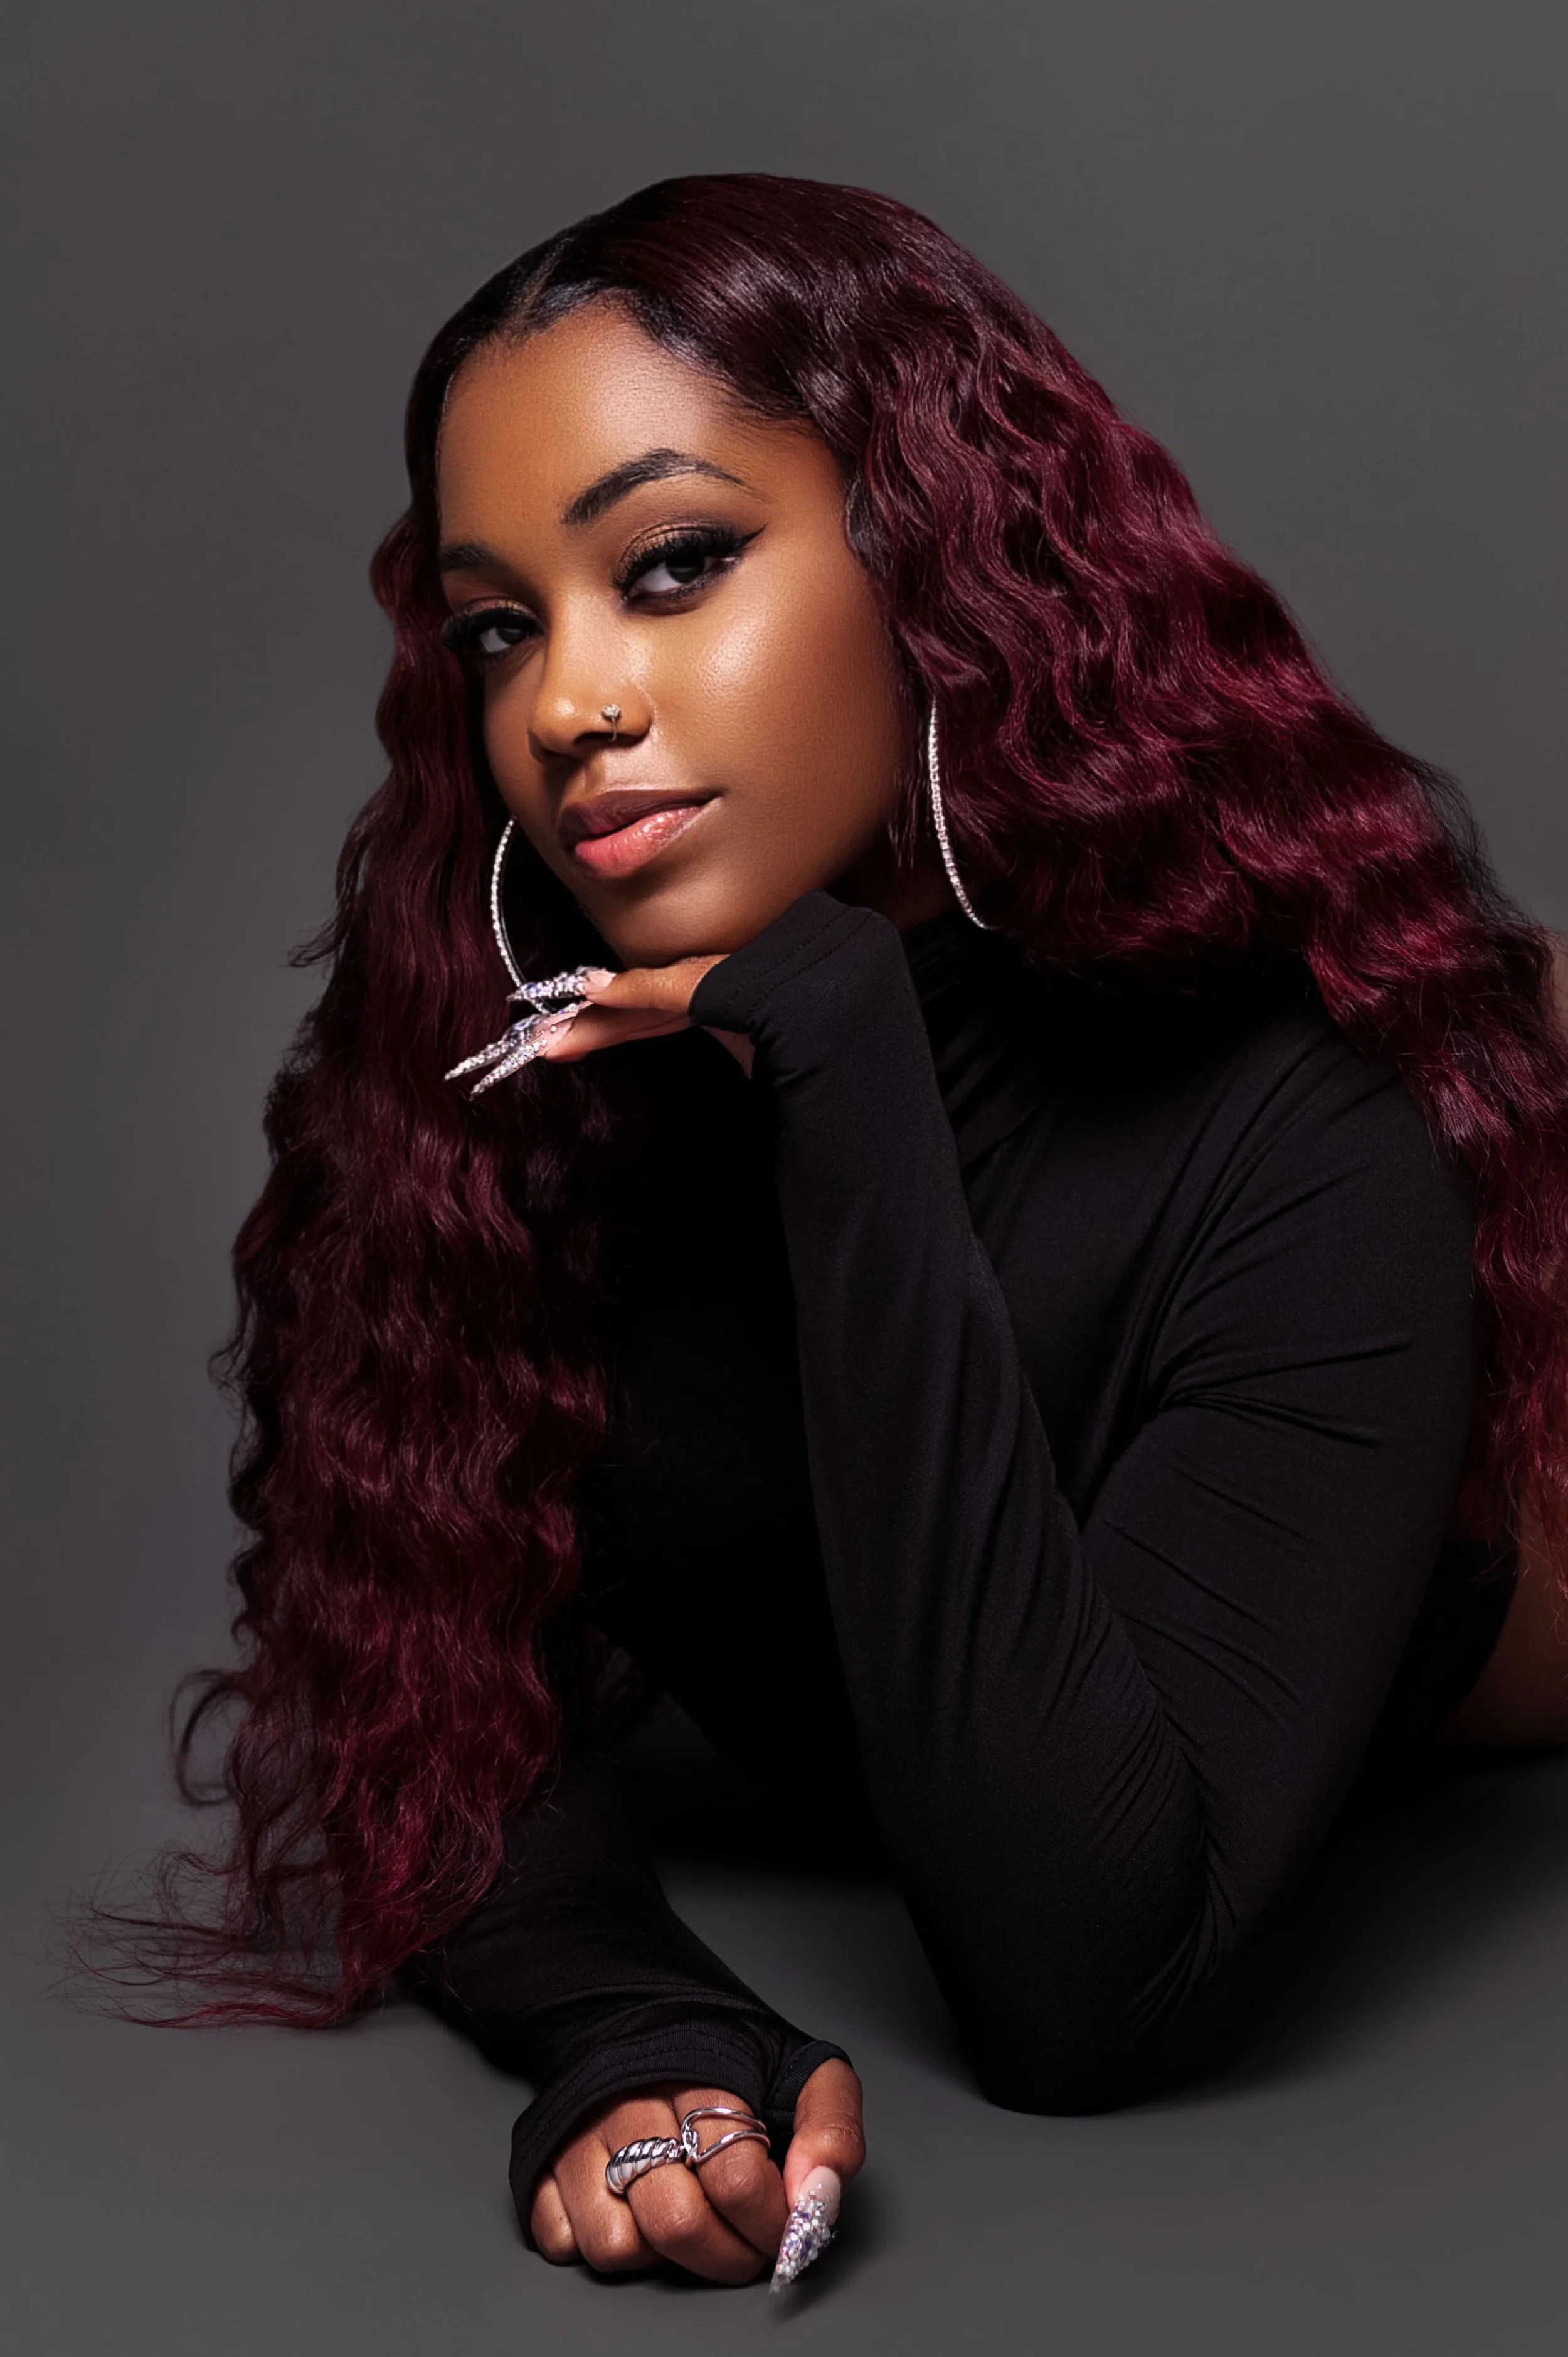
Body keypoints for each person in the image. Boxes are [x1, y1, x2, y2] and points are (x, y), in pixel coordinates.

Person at [115, 173, 1568, 2290]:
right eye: (502, 622)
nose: (566, 707)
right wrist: (636, 2026)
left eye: (677, 563)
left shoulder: (1311, 1122)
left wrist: (835, 1032)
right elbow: (405, 1677)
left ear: (932, 556)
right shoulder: (482, 1119)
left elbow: (1085, 1983)